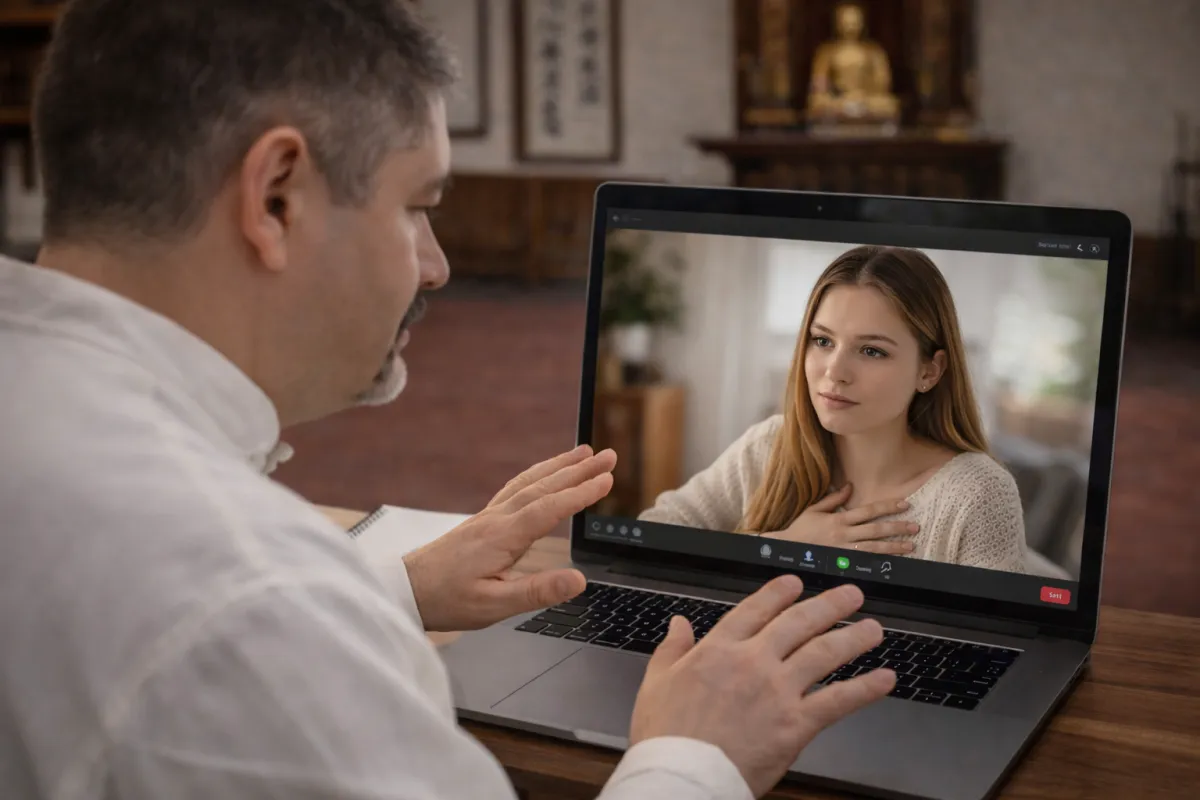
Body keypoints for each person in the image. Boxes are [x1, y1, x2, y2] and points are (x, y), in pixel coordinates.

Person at [0, 2, 897, 799]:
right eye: (416, 206)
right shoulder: (251, 601)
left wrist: (385, 587)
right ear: (275, 197)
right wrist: (699, 759)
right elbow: (232, 616)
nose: (438, 265)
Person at [639, 245, 1031, 574]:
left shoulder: (977, 494)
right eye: (822, 341)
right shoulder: (769, 446)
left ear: (929, 371)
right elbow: (648, 538)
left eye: (872, 350)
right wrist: (782, 547)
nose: (835, 371)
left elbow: (995, 644)